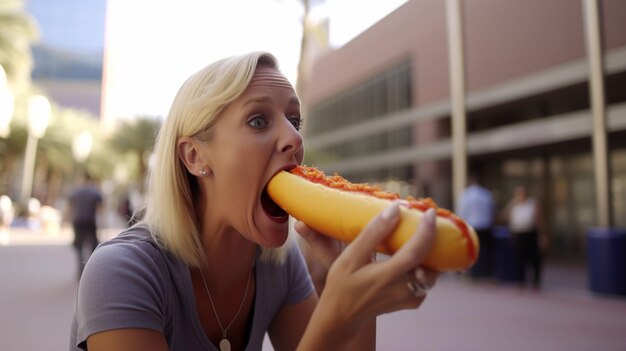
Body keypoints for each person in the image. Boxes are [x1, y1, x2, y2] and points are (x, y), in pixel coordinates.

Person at [70, 51, 439, 351]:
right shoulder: (122, 272)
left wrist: (360, 305)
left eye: (295, 119)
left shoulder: (277, 263)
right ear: (195, 157)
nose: (294, 138)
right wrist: (337, 313)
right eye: (259, 121)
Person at [502, 185, 545, 287]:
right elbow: (503, 216)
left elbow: (539, 220)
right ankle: (521, 279)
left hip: (530, 233)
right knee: (519, 258)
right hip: (518, 234)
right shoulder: (514, 205)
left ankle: (536, 280)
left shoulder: (532, 204)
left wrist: (542, 235)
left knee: (533, 258)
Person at [455, 172, 495, 278]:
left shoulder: (466, 195)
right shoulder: (486, 194)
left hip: (472, 225)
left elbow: (461, 212)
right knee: (485, 250)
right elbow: (491, 210)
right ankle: (485, 272)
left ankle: (474, 272)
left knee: (473, 250)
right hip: (485, 225)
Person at [66, 171, 103, 278]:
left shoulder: (76, 191)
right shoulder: (95, 192)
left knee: (79, 246)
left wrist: (64, 220)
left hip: (78, 222)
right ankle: (91, 269)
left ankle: (81, 270)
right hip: (90, 222)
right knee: (93, 246)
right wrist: (103, 225)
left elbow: (70, 207)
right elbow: (101, 209)